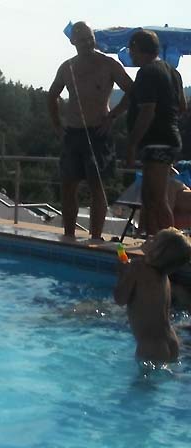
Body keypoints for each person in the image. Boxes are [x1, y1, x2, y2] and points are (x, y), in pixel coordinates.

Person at [47, 21, 133, 241]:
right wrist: (57, 126)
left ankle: (95, 237)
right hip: (72, 132)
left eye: (90, 38)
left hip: (98, 132)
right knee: (68, 186)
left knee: (97, 187)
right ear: (73, 41)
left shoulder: (108, 64)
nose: (87, 43)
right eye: (82, 39)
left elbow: (132, 91)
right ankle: (68, 235)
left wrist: (113, 116)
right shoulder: (67, 67)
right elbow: (52, 95)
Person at [125, 29, 187, 236]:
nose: (130, 55)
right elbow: (182, 106)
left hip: (158, 141)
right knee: (148, 196)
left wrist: (132, 144)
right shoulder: (173, 72)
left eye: (131, 50)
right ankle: (150, 239)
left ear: (136, 48)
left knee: (158, 198)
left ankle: (171, 243)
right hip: (166, 139)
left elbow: (147, 111)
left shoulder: (148, 72)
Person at [114, 227, 191, 363]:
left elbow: (120, 298)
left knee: (142, 377)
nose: (149, 238)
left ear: (157, 253)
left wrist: (122, 274)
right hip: (172, 342)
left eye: (154, 239)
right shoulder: (164, 278)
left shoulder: (138, 268)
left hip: (150, 345)